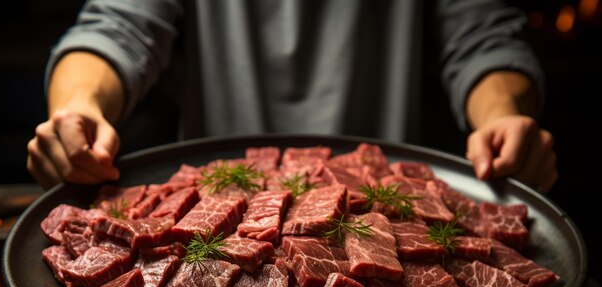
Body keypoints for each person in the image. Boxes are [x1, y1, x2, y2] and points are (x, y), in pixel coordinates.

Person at [27, 0, 557, 192]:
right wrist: (77, 108)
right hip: (210, 206)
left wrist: (502, 117)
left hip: (389, 210)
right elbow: (116, 27)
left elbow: (483, 34)